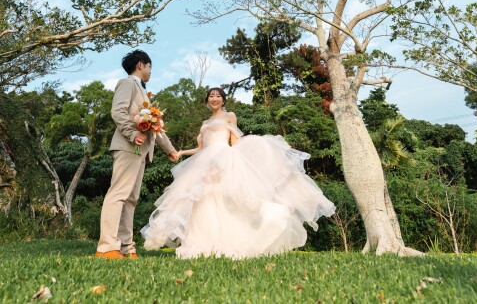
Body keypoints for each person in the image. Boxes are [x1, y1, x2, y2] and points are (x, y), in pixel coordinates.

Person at [141, 87, 335, 259]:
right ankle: (205, 241)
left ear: (223, 100)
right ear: (207, 100)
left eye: (218, 96)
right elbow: (200, 148)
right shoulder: (205, 122)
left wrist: (250, 152)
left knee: (226, 199)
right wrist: (181, 152)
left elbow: (235, 142)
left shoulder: (229, 116)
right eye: (211, 96)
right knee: (203, 201)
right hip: (203, 161)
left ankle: (234, 240)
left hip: (223, 158)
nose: (214, 98)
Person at [96, 50, 179, 259]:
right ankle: (107, 246)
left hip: (141, 152)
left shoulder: (145, 95)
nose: (151, 72)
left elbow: (155, 127)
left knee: (131, 199)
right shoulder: (127, 83)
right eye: (150, 67)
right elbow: (118, 111)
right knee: (118, 194)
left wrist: (169, 150)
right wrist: (132, 133)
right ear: (141, 65)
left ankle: (126, 247)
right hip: (128, 146)